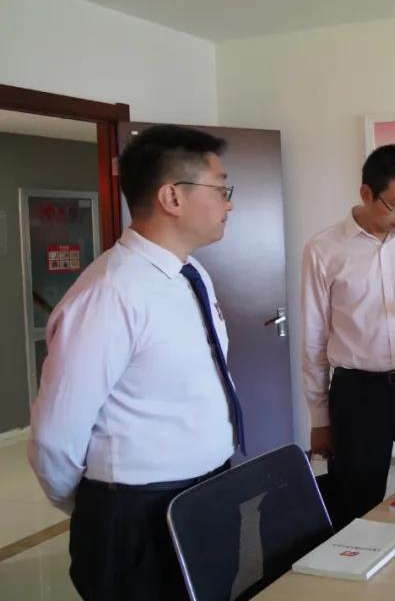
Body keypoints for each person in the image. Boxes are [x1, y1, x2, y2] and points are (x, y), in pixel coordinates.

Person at [28, 124, 242, 600]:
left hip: (205, 492)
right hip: (137, 513)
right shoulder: (111, 293)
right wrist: (99, 505)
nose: (228, 204)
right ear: (172, 197)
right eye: (220, 188)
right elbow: (55, 436)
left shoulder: (189, 272)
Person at [302, 144, 395, 521]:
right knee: (356, 502)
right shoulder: (324, 249)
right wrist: (319, 418)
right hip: (358, 394)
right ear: (366, 193)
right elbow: (314, 336)